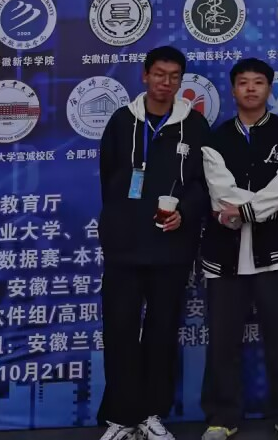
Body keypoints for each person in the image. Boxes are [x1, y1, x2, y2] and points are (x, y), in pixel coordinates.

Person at [98, 46, 211, 440]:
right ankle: (121, 416)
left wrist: (186, 213)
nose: (166, 83)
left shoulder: (194, 126)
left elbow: (203, 184)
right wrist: (119, 224)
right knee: (120, 331)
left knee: (162, 332)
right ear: (145, 75)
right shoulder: (121, 121)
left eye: (174, 76)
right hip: (124, 249)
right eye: (159, 74)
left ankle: (151, 414)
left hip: (170, 248)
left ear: (181, 80)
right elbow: (109, 179)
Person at [199, 57, 278, 440]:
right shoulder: (214, 140)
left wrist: (242, 210)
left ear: (269, 89)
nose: (250, 88)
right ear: (233, 89)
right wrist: (266, 208)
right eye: (243, 82)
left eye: (258, 82)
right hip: (224, 255)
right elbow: (220, 192)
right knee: (222, 342)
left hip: (275, 254)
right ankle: (222, 416)